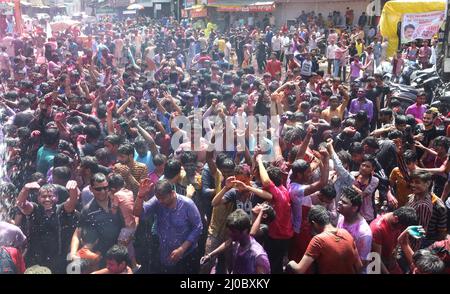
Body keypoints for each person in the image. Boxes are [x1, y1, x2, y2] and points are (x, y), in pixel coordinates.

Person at [134, 179, 203, 274]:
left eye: (163, 198)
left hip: (186, 256)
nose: (161, 201)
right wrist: (140, 196)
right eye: (159, 198)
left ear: (172, 193)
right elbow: (138, 213)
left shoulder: (187, 204)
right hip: (165, 255)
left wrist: (182, 249)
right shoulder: (157, 201)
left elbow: (198, 227)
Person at [287, 205, 363, 274]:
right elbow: (359, 266)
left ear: (314, 223)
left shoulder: (318, 240)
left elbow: (299, 270)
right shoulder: (346, 233)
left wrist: (290, 262)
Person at [370, 207, 418, 274]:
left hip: (392, 262)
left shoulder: (399, 221)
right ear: (396, 219)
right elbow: (376, 258)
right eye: (400, 228)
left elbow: (402, 244)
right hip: (378, 265)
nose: (401, 230)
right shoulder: (377, 229)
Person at [336, 187, 373, 271]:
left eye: (344, 202)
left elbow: (362, 264)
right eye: (340, 200)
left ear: (354, 208)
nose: (339, 203)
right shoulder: (342, 215)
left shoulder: (364, 233)